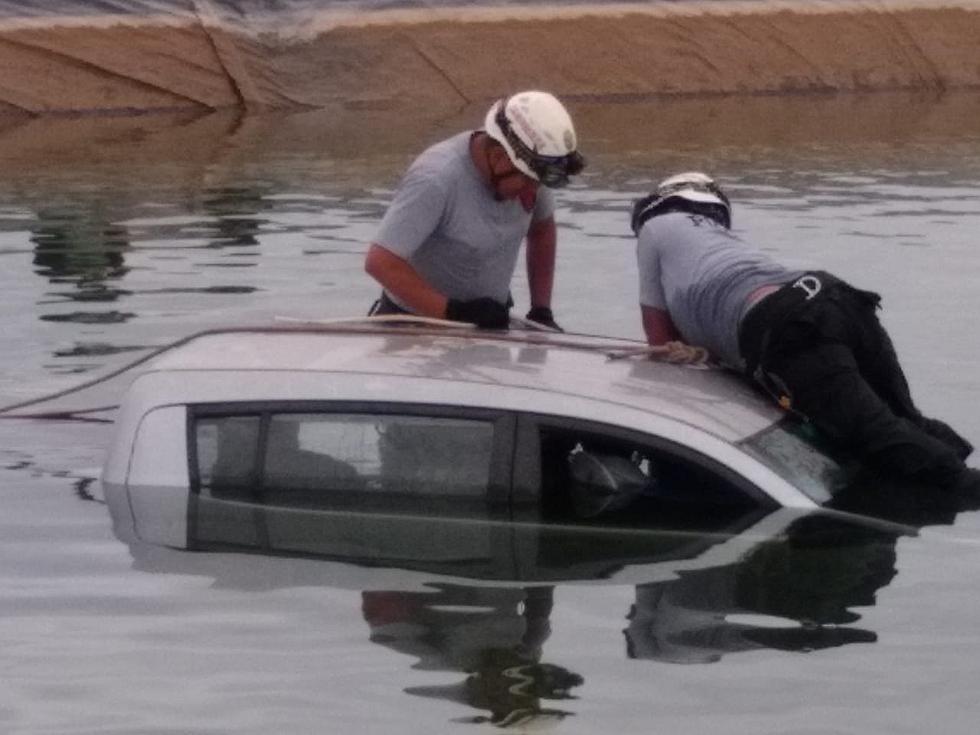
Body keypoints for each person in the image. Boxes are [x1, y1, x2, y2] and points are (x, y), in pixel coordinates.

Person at [630, 172, 975, 487]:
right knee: (905, 418)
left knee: (877, 434)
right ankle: (958, 473)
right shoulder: (723, 244)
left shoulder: (654, 227)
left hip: (789, 325)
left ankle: (964, 488)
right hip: (834, 296)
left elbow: (659, 339)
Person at [364, 90, 585, 330]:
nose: (534, 192)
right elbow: (381, 262)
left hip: (488, 321)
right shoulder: (436, 179)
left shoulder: (530, 172)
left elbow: (542, 230)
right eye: (529, 183)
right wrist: (453, 313)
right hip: (411, 323)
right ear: (500, 157)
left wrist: (541, 310)